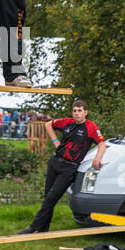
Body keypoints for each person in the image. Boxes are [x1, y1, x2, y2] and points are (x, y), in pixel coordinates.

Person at [18, 100, 107, 234]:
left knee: (51, 198)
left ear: (85, 112)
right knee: (47, 197)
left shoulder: (91, 127)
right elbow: (48, 124)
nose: (77, 113)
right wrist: (55, 141)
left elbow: (102, 144)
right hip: (55, 162)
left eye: (80, 111)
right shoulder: (67, 122)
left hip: (69, 168)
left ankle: (33, 227)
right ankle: (43, 230)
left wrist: (97, 158)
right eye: (75, 111)